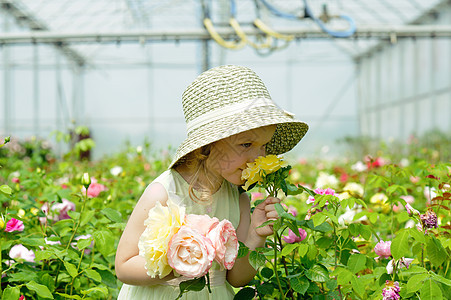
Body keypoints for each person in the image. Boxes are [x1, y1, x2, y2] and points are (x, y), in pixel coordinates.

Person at [115, 65, 308, 299]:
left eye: (264, 146)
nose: (258, 157)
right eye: (246, 144)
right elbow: (123, 266)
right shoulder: (164, 193)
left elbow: (236, 277)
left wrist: (256, 236)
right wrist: (179, 262)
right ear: (207, 145)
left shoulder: (239, 200)